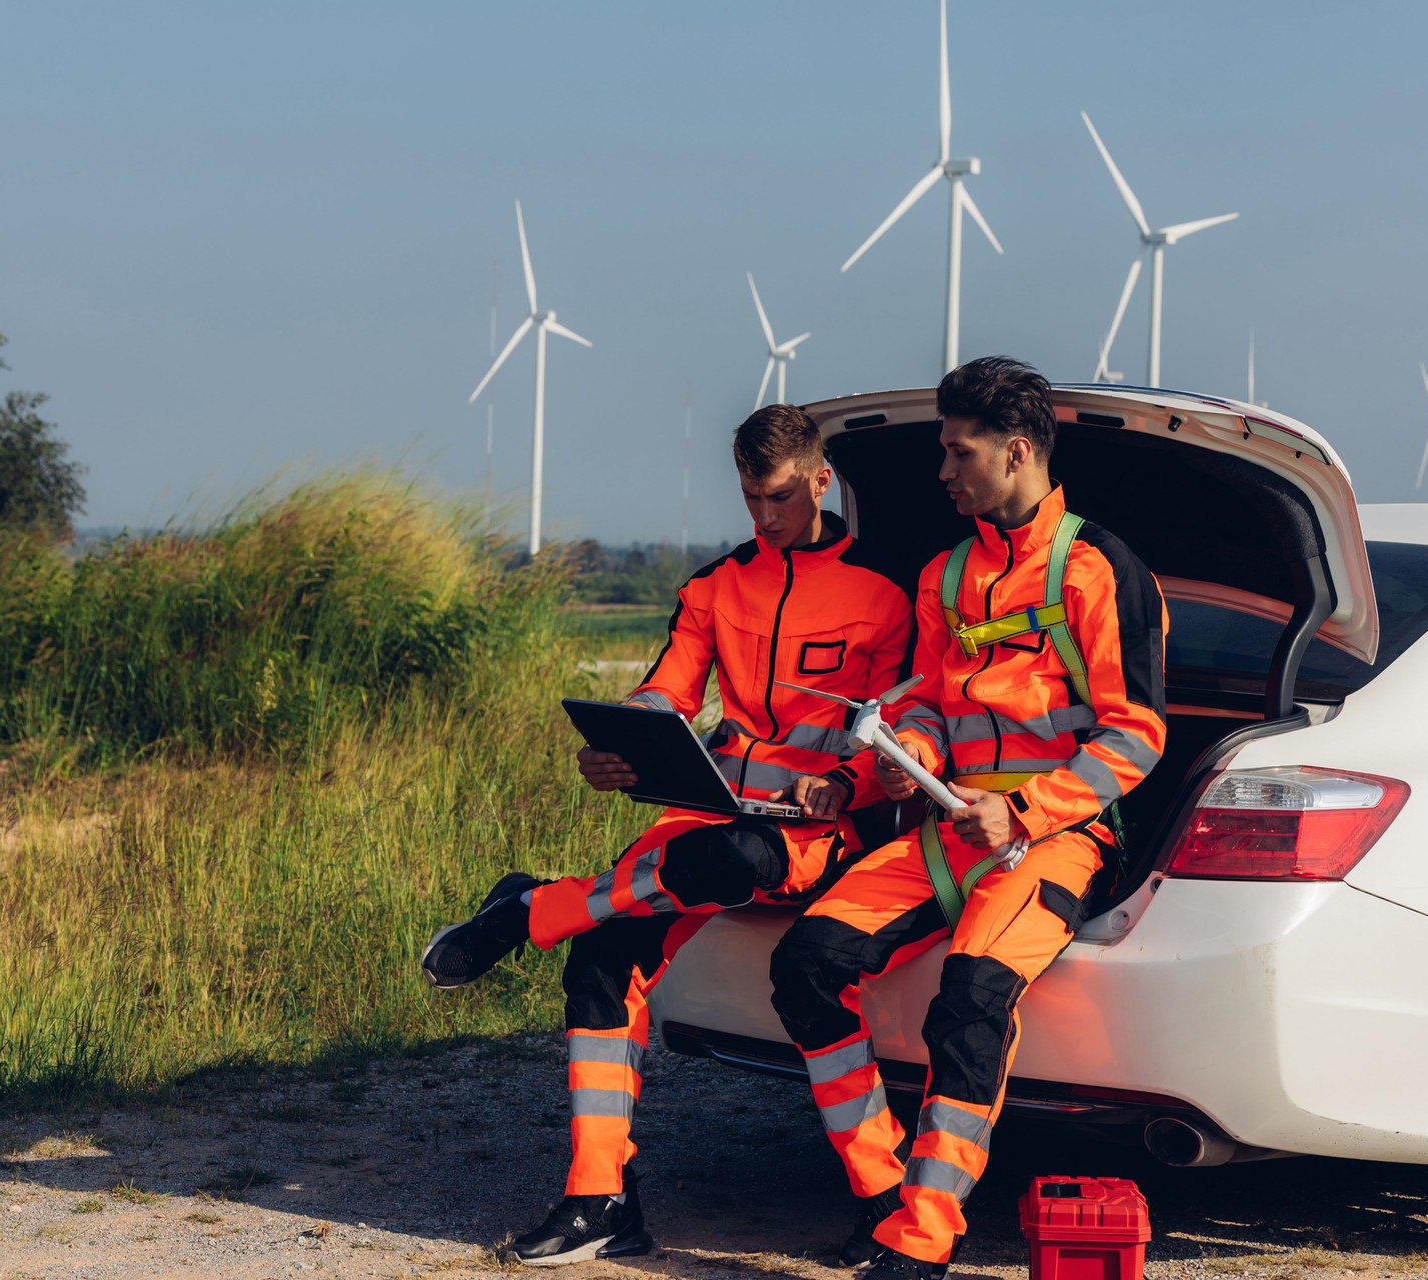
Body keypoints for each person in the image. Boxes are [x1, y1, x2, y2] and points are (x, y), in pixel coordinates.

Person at [421, 403, 915, 1266]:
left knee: (731, 857)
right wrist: (622, 747)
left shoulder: (885, 589)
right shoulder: (714, 587)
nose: (764, 516)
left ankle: (533, 908)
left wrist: (842, 782)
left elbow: (898, 729)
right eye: (750, 498)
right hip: (705, 815)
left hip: (812, 833)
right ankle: (599, 1200)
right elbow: (665, 695)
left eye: (780, 496)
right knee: (602, 960)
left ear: (820, 479)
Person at [768, 358, 1168, 1280]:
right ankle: (881, 1192)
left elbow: (1138, 737)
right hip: (952, 828)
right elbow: (926, 710)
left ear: (1016, 451)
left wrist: (1025, 809)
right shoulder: (945, 576)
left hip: (1060, 836)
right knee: (806, 963)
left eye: (958, 452)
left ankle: (927, 1235)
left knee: (971, 1000)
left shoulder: (1099, 568)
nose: (942, 472)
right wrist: (886, 768)